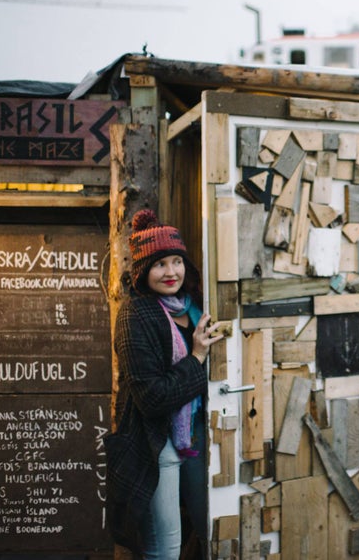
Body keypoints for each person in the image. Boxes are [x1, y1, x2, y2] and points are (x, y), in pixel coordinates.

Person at [105, 209, 222, 559]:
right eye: (160, 264)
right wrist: (197, 356)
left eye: (176, 261)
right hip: (156, 441)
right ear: (143, 271)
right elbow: (152, 399)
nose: (171, 272)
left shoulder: (196, 306)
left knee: (209, 528)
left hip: (197, 432)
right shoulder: (136, 315)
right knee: (165, 547)